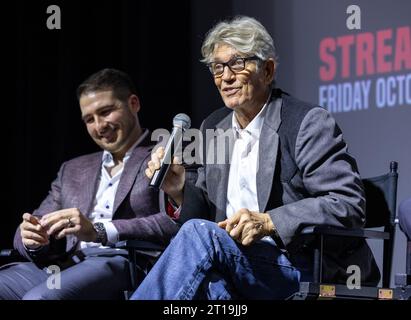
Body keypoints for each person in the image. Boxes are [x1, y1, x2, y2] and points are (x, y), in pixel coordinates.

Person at [130, 16, 380, 300]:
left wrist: (270, 222)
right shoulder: (213, 127)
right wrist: (179, 191)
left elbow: (347, 204)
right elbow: (201, 216)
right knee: (213, 286)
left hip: (301, 264)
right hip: (236, 263)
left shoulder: (306, 122)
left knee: (202, 239)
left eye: (238, 63)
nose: (226, 77)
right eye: (217, 67)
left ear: (268, 70)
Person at [0, 68, 179, 300]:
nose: (99, 126)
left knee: (40, 298)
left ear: (133, 104)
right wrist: (31, 237)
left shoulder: (163, 155)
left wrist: (99, 231)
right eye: (89, 119)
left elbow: (176, 221)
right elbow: (36, 221)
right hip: (64, 265)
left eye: (105, 112)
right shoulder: (72, 169)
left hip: (123, 261)